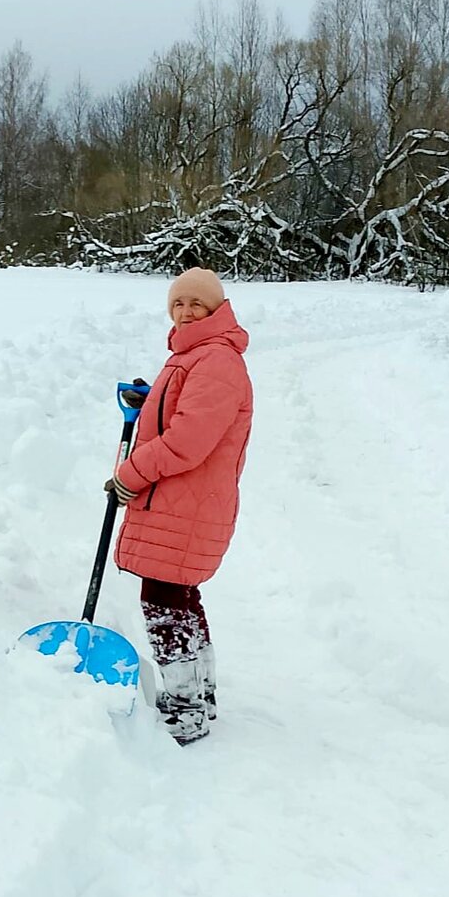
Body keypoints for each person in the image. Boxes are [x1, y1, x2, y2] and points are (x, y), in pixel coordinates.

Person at [105, 267, 253, 744]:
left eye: (196, 304)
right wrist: (153, 401)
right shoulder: (196, 356)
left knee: (164, 601)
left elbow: (188, 440)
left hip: (185, 504)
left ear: (215, 308)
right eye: (178, 304)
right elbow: (188, 413)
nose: (186, 312)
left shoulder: (215, 360)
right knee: (181, 597)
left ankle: (186, 712)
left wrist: (130, 473)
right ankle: (199, 696)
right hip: (181, 502)